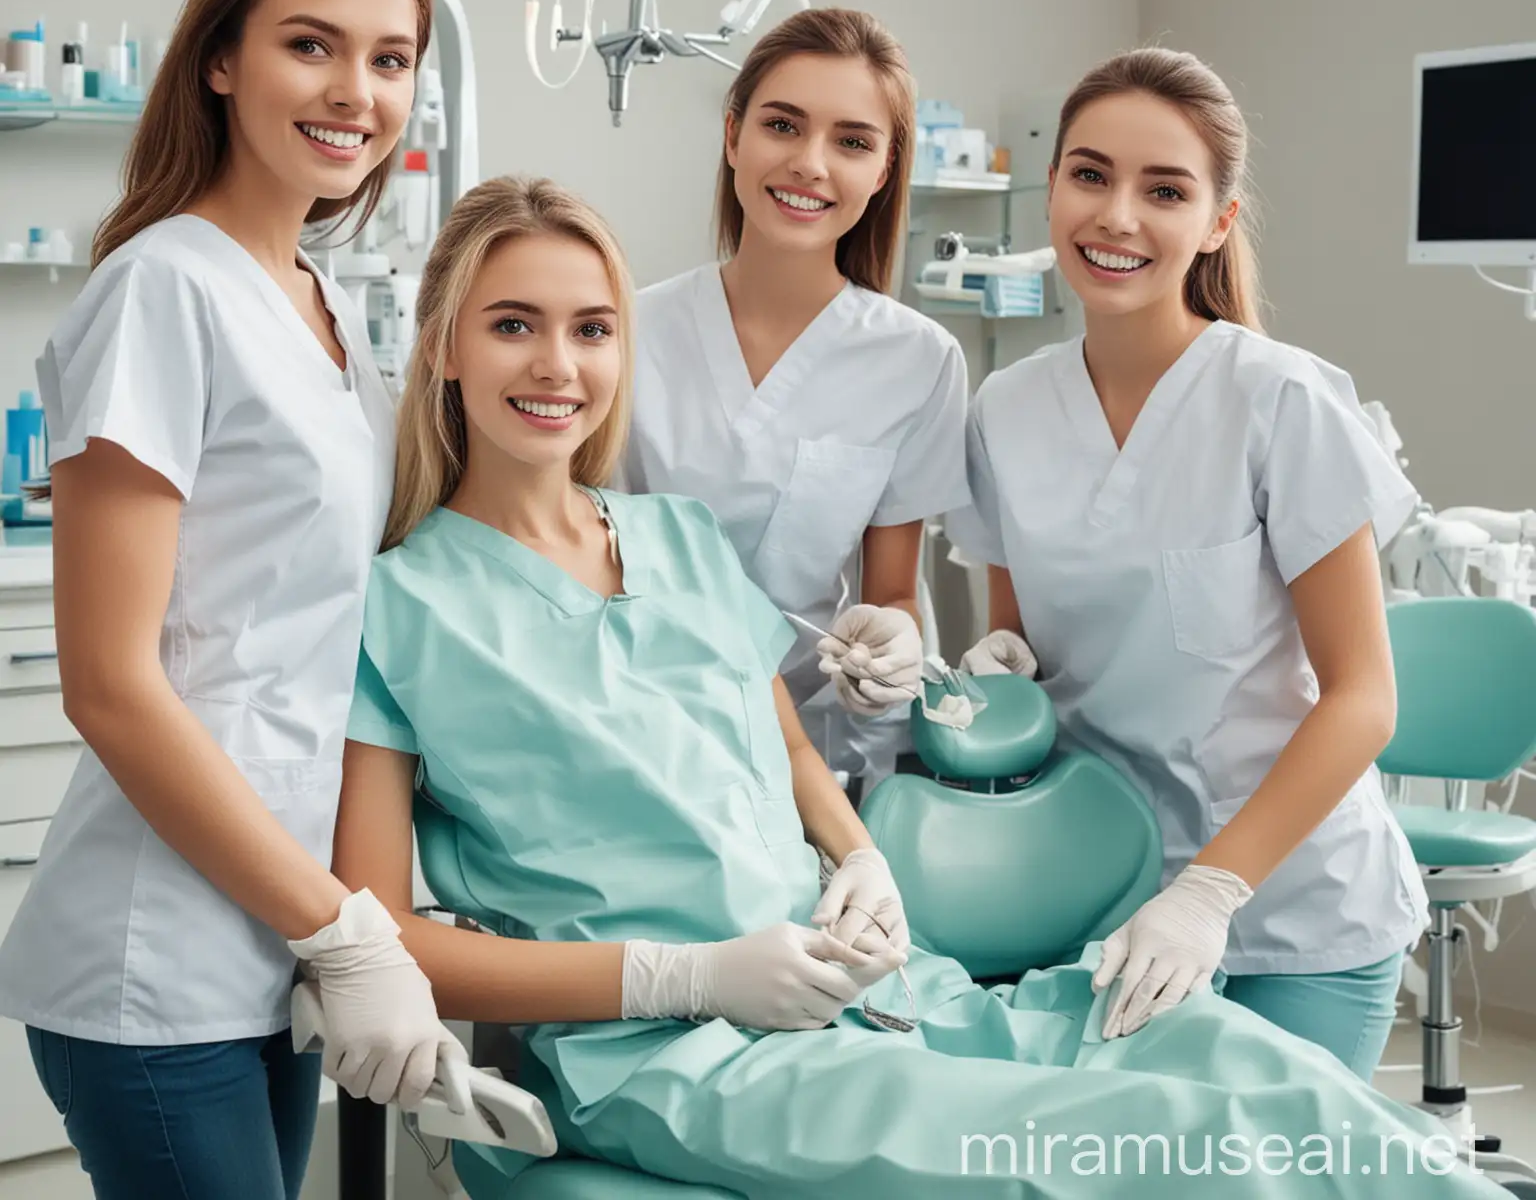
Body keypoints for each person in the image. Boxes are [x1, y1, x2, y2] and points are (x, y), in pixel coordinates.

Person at [334, 175, 1497, 1200]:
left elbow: (785, 749)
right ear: (444, 348)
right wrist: (684, 976)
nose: (557, 364)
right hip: (672, 1055)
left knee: (1256, 1074)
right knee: (1158, 1146)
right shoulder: (396, 610)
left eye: (591, 328)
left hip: (876, 984)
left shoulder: (676, 537)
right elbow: (384, 934)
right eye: (511, 326)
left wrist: (858, 857)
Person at [0, 0, 467, 1200]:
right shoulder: (165, 288)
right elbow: (110, 684)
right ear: (221, 59)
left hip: (274, 935)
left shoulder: (317, 301)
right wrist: (341, 928)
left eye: (390, 60)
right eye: (311, 45)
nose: (356, 92)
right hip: (161, 956)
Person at [944, 47, 1428, 1078]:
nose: (1117, 216)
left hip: (1291, 911)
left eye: (1163, 190)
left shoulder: (1280, 401)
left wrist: (1213, 891)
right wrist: (992, 667)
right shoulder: (1004, 411)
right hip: (1094, 900)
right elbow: (1022, 647)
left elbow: (1363, 698)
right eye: (1090, 174)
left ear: (1215, 222)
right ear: (1053, 190)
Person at [620, 8, 969, 799]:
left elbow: (889, 592)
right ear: (734, 135)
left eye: (852, 142)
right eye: (783, 125)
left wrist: (890, 647)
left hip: (812, 758)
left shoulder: (918, 361)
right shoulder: (624, 330)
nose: (811, 164)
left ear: (883, 172)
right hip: (638, 732)